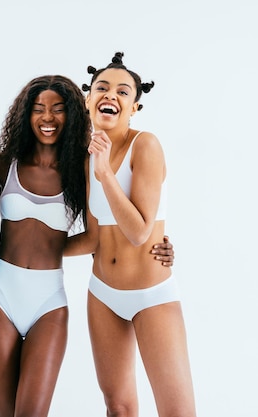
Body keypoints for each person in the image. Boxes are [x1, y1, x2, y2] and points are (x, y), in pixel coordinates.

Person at [0, 77, 175, 417]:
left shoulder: (84, 167)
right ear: (25, 115)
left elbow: (96, 236)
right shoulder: (4, 164)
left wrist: (159, 243)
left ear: (73, 115)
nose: (47, 117)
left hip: (49, 300)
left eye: (58, 110)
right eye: (38, 109)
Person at [82, 52, 196, 416]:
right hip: (102, 294)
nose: (110, 95)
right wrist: (23, 254)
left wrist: (105, 174)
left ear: (134, 107)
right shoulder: (86, 153)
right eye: (101, 87)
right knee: (118, 407)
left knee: (177, 412)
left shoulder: (145, 144)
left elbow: (139, 231)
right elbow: (92, 238)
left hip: (152, 294)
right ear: (88, 99)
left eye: (122, 91)